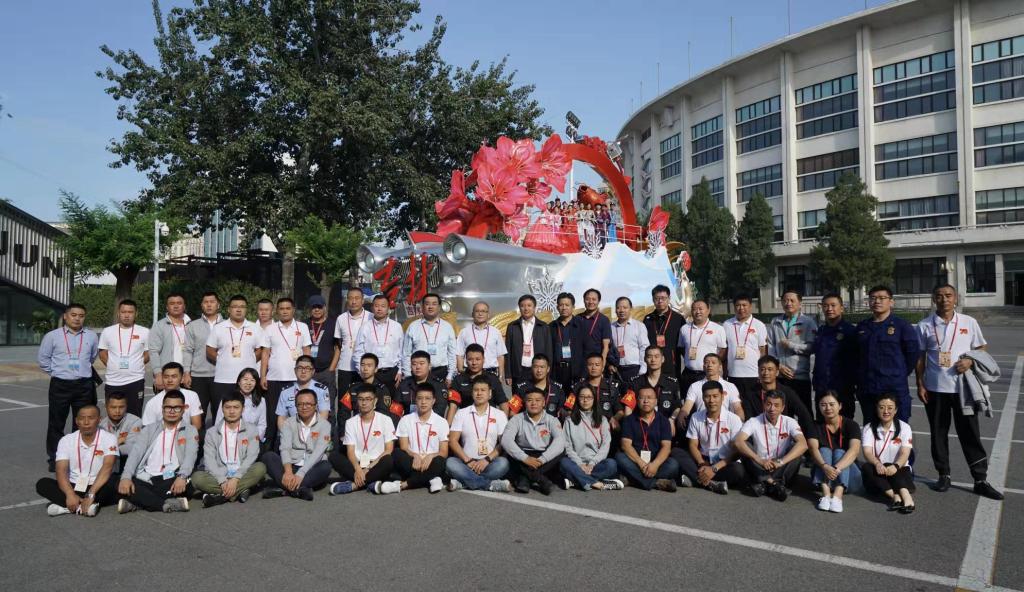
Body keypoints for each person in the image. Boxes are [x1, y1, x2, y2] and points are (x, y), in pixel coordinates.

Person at [915, 284, 1003, 500]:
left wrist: (970, 361)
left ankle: (980, 479)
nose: (944, 299)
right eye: (939, 296)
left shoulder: (968, 322)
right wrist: (920, 384)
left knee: (970, 433)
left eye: (948, 295)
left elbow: (980, 347)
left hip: (963, 389)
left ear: (956, 298)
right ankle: (943, 475)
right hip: (935, 389)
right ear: (934, 299)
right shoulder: (924, 325)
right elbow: (920, 357)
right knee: (938, 433)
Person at [39, 302, 99, 472]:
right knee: (56, 423)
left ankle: (78, 456)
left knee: (82, 422)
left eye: (81, 316)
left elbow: (92, 357)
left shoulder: (91, 336)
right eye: (73, 315)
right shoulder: (52, 336)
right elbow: (43, 360)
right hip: (60, 384)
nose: (77, 319)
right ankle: (55, 457)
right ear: (65, 316)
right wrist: (58, 372)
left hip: (84, 385)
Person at [116, 390, 198, 513]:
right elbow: (135, 454)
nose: (172, 411)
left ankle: (137, 503)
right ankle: (167, 504)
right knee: (120, 482)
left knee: (188, 483)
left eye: (177, 408)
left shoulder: (190, 430)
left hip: (172, 477)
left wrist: (182, 476)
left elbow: (190, 457)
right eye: (168, 407)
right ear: (162, 408)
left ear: (183, 409)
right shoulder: (149, 429)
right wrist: (126, 477)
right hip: (147, 477)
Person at [36, 405, 119, 517]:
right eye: (82, 418)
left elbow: (108, 466)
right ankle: (86, 506)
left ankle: (68, 508)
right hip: (74, 486)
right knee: (42, 484)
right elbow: (61, 470)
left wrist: (91, 494)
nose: (86, 422)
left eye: (91, 418)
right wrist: (70, 494)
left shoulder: (109, 438)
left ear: (99, 420)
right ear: (76, 421)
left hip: (98, 486)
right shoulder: (66, 440)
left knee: (116, 482)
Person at [856, 285, 920, 424]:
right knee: (871, 430)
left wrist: (899, 373)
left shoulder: (902, 326)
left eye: (882, 298)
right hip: (869, 389)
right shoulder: (862, 327)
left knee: (898, 429)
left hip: (894, 388)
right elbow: (856, 356)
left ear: (891, 302)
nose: (877, 301)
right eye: (873, 298)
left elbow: (913, 354)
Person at [191, 392, 267, 507]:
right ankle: (240, 490)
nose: (232, 411)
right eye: (227, 407)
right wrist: (222, 481)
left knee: (260, 468)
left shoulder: (252, 430)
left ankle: (221, 496)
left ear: (243, 409)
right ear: (222, 409)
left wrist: (236, 478)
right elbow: (209, 460)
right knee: (197, 478)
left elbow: (251, 456)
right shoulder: (212, 432)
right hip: (220, 475)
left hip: (242, 473)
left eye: (236, 407)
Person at [673, 380, 746, 494]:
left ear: (722, 397)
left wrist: (714, 469)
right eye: (707, 396)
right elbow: (693, 444)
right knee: (676, 452)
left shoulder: (734, 419)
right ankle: (712, 484)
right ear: (703, 398)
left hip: (723, 463)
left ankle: (697, 480)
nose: (711, 400)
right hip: (703, 461)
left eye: (715, 396)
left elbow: (737, 452)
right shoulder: (696, 417)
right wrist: (701, 463)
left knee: (738, 470)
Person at [733, 390, 808, 501]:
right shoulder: (753, 421)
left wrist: (780, 462)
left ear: (782, 408)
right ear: (764, 405)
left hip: (781, 466)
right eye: (769, 404)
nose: (772, 409)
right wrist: (759, 460)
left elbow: (803, 444)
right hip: (760, 465)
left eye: (776, 405)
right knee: (745, 446)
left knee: (797, 451)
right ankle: (775, 485)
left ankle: (764, 484)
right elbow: (738, 442)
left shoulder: (790, 422)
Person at [206, 294, 266, 423]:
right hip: (223, 379)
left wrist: (249, 359)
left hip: (247, 382)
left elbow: (260, 350)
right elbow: (210, 350)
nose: (238, 309)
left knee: (246, 415)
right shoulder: (219, 328)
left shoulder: (255, 328)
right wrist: (222, 360)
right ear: (229, 309)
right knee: (221, 415)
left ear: (246, 309)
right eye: (235, 307)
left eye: (242, 307)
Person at [445, 376, 512, 492]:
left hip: (489, 462)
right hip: (466, 462)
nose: (479, 393)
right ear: (472, 393)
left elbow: (503, 443)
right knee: (450, 463)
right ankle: (489, 484)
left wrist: (487, 460)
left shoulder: (499, 414)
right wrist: (468, 460)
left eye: (483, 390)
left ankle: (464, 482)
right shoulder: (461, 413)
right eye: (476, 390)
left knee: (503, 463)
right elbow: (453, 440)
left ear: (490, 394)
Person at [263, 390, 333, 500]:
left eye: (308, 404)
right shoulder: (288, 422)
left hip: (312, 467)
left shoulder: (325, 425)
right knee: (268, 457)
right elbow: (285, 448)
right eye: (300, 404)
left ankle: (284, 490)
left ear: (315, 406)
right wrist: (288, 471)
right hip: (292, 465)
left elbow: (318, 452)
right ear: (296, 406)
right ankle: (300, 490)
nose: (304, 407)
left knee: (326, 467)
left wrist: (301, 473)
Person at [329, 384, 397, 494]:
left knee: (388, 460)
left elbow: (388, 449)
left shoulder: (386, 420)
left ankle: (354, 485)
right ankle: (371, 482)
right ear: (357, 401)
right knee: (334, 457)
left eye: (368, 399)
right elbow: (350, 451)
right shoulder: (350, 422)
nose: (364, 403)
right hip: (357, 463)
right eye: (361, 399)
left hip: (376, 463)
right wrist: (358, 469)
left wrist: (367, 469)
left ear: (375, 401)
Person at [501, 388, 567, 495]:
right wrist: (525, 458)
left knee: (561, 450)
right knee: (508, 452)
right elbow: (506, 440)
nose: (534, 403)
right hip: (523, 454)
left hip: (544, 455)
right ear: (524, 403)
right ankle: (541, 479)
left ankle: (525, 478)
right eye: (530, 400)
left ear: (544, 403)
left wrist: (542, 459)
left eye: (538, 400)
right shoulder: (516, 419)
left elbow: (560, 441)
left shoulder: (552, 420)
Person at [615, 386, 680, 491]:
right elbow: (625, 445)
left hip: (655, 462)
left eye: (649, 398)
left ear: (656, 401)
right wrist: (641, 464)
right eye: (642, 398)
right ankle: (656, 483)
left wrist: (655, 465)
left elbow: (666, 447)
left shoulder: (663, 421)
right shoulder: (629, 420)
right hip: (635, 461)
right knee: (620, 457)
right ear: (637, 401)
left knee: (673, 465)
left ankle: (633, 480)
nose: (646, 401)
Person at [560, 384, 624, 491]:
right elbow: (567, 446)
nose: (585, 400)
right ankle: (596, 483)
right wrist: (580, 464)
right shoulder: (569, 420)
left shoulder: (602, 420)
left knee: (611, 464)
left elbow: (605, 445)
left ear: (594, 399)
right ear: (577, 399)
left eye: (589, 397)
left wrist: (591, 464)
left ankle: (577, 481)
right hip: (576, 463)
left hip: (596, 463)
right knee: (563, 462)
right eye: (582, 397)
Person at [389, 384, 451, 493]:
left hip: (431, 462)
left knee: (440, 461)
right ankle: (431, 478)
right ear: (415, 400)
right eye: (420, 398)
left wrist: (431, 456)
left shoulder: (442, 422)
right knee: (397, 453)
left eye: (427, 398)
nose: (423, 402)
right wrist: (414, 455)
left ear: (433, 401)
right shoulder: (405, 420)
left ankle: (407, 483)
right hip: (412, 462)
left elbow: (443, 452)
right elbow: (404, 447)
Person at [860, 394, 916, 513]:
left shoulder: (904, 427)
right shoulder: (868, 428)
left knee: (891, 465)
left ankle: (907, 498)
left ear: (896, 410)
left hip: (899, 471)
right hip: (878, 472)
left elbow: (905, 453)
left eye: (890, 408)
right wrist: (877, 464)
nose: (886, 411)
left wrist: (895, 466)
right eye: (881, 407)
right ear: (876, 409)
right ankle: (895, 497)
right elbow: (867, 452)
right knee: (866, 467)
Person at [808, 391, 861, 513]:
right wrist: (825, 466)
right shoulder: (814, 425)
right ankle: (826, 496)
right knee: (823, 450)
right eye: (823, 405)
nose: (828, 408)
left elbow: (854, 450)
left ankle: (837, 496)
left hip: (849, 478)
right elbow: (812, 448)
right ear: (819, 407)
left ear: (840, 406)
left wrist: (837, 468)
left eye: (832, 404)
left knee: (840, 452)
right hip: (823, 475)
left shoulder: (851, 425)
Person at [767, 289, 817, 416]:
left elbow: (812, 347)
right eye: (785, 300)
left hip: (799, 376)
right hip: (780, 376)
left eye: (792, 300)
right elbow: (770, 347)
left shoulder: (808, 322)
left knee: (805, 413)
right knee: (783, 413)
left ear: (800, 303)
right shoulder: (775, 322)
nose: (788, 303)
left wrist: (791, 345)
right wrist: (777, 366)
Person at [260, 298, 312, 420]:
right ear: (277, 311)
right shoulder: (270, 328)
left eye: (288, 308)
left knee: (296, 413)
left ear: (293, 310)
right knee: (272, 414)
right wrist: (263, 376)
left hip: (296, 378)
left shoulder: (302, 327)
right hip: (274, 378)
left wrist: (308, 375)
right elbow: (265, 353)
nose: (285, 311)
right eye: (282, 308)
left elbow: (307, 351)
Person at [98, 299, 150, 418]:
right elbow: (102, 353)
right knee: (114, 416)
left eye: (130, 312)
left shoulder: (144, 332)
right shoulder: (107, 331)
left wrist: (137, 363)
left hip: (135, 380)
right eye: (123, 312)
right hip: (113, 381)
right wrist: (112, 365)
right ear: (118, 313)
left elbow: (148, 353)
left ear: (136, 314)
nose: (127, 315)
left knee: (134, 416)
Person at [811, 293, 858, 419]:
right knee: (822, 424)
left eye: (833, 305)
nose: (829, 309)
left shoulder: (850, 331)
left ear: (841, 308)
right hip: (822, 386)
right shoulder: (821, 331)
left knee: (844, 423)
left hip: (842, 388)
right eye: (826, 306)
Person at [723, 294, 768, 414]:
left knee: (755, 409)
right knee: (736, 409)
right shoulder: (727, 325)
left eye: (744, 305)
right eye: (738, 305)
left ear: (750, 306)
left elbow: (763, 351)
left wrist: (762, 373)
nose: (741, 308)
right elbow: (724, 350)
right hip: (733, 375)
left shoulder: (759, 325)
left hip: (753, 375)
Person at [402, 293, 458, 384]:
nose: (430, 307)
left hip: (441, 372)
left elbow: (452, 353)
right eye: (427, 304)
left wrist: (450, 375)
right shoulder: (413, 326)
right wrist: (408, 375)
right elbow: (406, 353)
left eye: (434, 304)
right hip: (418, 373)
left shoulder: (447, 327)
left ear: (439, 307)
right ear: (422, 307)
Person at [353, 294, 404, 393]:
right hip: (372, 375)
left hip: (393, 374)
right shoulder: (365, 327)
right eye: (376, 306)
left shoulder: (397, 327)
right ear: (372, 308)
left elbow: (402, 351)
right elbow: (358, 352)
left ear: (388, 308)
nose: (379, 309)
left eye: (383, 306)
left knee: (393, 402)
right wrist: (362, 373)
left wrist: (401, 371)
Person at [754, 355, 815, 437]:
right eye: (762, 369)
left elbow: (804, 414)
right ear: (758, 372)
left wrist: (811, 438)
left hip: (784, 435)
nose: (766, 373)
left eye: (770, 369)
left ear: (777, 372)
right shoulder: (751, 394)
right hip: (760, 434)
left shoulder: (787, 392)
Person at [183, 291, 222, 417]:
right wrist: (186, 372)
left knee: (221, 413)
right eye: (206, 302)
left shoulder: (227, 325)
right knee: (198, 415)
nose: (209, 305)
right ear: (202, 305)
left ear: (218, 305)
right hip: (198, 376)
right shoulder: (192, 326)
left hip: (221, 375)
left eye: (212, 302)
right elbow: (188, 350)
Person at [677, 299, 727, 394]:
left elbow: (723, 349)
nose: (698, 311)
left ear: (708, 310)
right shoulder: (684, 329)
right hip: (688, 374)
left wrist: (714, 364)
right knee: (688, 401)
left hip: (708, 374)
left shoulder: (718, 329)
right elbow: (682, 348)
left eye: (701, 309)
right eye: (694, 309)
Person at [680, 353, 744, 422]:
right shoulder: (695, 386)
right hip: (702, 422)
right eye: (707, 362)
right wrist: (681, 415)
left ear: (720, 367)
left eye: (713, 363)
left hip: (724, 424)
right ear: (703, 367)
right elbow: (687, 406)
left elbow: (737, 407)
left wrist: (740, 421)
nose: (710, 365)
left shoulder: (730, 386)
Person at [629, 346, 682, 429]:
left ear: (663, 359)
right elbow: (628, 407)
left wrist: (672, 419)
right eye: (649, 356)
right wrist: (630, 427)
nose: (653, 360)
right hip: (641, 426)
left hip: (665, 425)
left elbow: (677, 406)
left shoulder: (672, 382)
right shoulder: (636, 382)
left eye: (657, 356)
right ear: (645, 359)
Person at [141, 363, 204, 431]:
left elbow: (196, 426)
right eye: (166, 377)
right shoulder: (152, 403)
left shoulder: (192, 396)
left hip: (186, 435)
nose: (170, 380)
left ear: (182, 378)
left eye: (174, 376)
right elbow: (147, 430)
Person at [505, 294, 552, 386]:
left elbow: (549, 351)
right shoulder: (512, 326)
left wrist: (548, 373)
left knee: (537, 395)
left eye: (529, 305)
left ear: (534, 307)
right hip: (518, 371)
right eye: (523, 306)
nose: (526, 308)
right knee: (518, 395)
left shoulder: (544, 327)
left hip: (538, 371)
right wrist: (508, 374)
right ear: (519, 308)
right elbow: (508, 352)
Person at [276, 355, 332, 431]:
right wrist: (286, 434)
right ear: (295, 370)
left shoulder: (322, 390)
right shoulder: (286, 392)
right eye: (300, 368)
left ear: (313, 371)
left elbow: (324, 416)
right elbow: (281, 418)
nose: (303, 371)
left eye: (307, 368)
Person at [396, 350, 455, 421]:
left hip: (431, 423)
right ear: (410, 366)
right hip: (408, 423)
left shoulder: (438, 385)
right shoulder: (404, 384)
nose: (418, 367)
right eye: (414, 364)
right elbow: (395, 410)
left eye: (422, 363)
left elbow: (439, 410)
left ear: (429, 366)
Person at [572, 354, 625, 433]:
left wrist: (614, 419)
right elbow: (568, 409)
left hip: (606, 428)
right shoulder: (578, 387)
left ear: (602, 367)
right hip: (584, 428)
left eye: (597, 365)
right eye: (590, 365)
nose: (593, 368)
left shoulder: (611, 387)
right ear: (586, 367)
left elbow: (620, 411)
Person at [149, 292, 189, 393]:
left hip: (187, 376)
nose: (176, 306)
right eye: (172, 303)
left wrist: (188, 373)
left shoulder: (192, 325)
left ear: (184, 306)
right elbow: (153, 352)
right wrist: (158, 374)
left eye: (179, 303)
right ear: (167, 307)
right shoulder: (159, 326)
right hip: (167, 377)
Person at [456, 301, 507, 379]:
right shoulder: (464, 332)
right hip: (470, 374)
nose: (480, 314)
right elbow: (459, 354)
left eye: (483, 311)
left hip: (491, 373)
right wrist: (461, 372)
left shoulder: (496, 332)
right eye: (477, 311)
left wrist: (500, 376)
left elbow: (500, 356)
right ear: (472, 314)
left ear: (488, 314)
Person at [215, 368, 268, 443]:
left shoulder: (261, 401)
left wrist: (253, 439)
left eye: (252, 380)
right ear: (239, 382)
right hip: (229, 440)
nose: (248, 383)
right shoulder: (227, 398)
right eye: (245, 379)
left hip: (252, 441)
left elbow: (262, 425)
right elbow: (218, 422)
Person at [307, 294, 341, 411]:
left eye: (319, 307)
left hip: (327, 371)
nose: (317, 310)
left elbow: (338, 348)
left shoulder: (333, 324)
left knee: (328, 406)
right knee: (310, 405)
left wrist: (331, 369)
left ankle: (329, 424)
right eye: (314, 307)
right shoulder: (304, 324)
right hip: (309, 371)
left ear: (325, 308)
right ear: (310, 309)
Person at [643, 285, 684, 380]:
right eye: (657, 298)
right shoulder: (648, 319)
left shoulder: (678, 319)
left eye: (663, 298)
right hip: (652, 363)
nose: (660, 301)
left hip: (671, 364)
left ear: (669, 299)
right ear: (653, 300)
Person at [334, 288, 366, 398]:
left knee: (363, 399)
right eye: (351, 298)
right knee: (344, 400)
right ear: (347, 300)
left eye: (357, 298)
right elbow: (338, 343)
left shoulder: (371, 317)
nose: (354, 301)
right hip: (345, 366)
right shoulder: (341, 318)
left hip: (365, 367)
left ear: (363, 300)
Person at [512, 354, 566, 419]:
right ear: (531, 368)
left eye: (542, 367)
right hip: (528, 423)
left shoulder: (557, 389)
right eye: (536, 367)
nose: (539, 370)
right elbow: (512, 412)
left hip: (551, 424)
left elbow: (563, 412)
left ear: (548, 369)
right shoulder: (521, 388)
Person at [610, 296, 650, 384]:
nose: (621, 310)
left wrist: (643, 368)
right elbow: (608, 348)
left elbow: (644, 348)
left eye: (625, 307)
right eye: (618, 308)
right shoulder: (611, 327)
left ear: (631, 309)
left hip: (634, 368)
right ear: (615, 310)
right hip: (617, 369)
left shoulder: (639, 326)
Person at [550, 292, 584, 388]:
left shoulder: (581, 325)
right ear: (557, 307)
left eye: (567, 305)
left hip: (576, 371)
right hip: (556, 371)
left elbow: (587, 350)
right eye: (561, 305)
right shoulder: (551, 326)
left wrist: (584, 373)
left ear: (573, 307)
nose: (564, 308)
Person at [99, 392, 142, 463]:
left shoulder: (136, 422)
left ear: (126, 407)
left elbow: (132, 448)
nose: (117, 411)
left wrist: (108, 449)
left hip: (127, 462)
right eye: (113, 407)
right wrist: (117, 441)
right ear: (106, 407)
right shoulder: (101, 426)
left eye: (121, 407)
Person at [578, 289, 615, 371]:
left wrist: (602, 364)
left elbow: (606, 346)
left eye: (594, 299)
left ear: (598, 301)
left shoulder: (604, 320)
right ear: (584, 300)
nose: (591, 302)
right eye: (587, 299)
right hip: (580, 361)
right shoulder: (577, 318)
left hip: (596, 363)